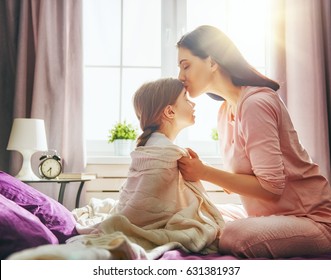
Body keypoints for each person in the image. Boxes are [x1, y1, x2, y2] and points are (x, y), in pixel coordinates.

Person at [176, 25, 331, 258]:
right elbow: (242, 180)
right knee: (191, 217)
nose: (180, 77)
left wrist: (203, 172)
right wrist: (198, 171)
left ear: (212, 61)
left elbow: (271, 188)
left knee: (234, 235)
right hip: (266, 218)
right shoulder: (224, 110)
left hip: (311, 219)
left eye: (185, 65)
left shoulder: (256, 103)